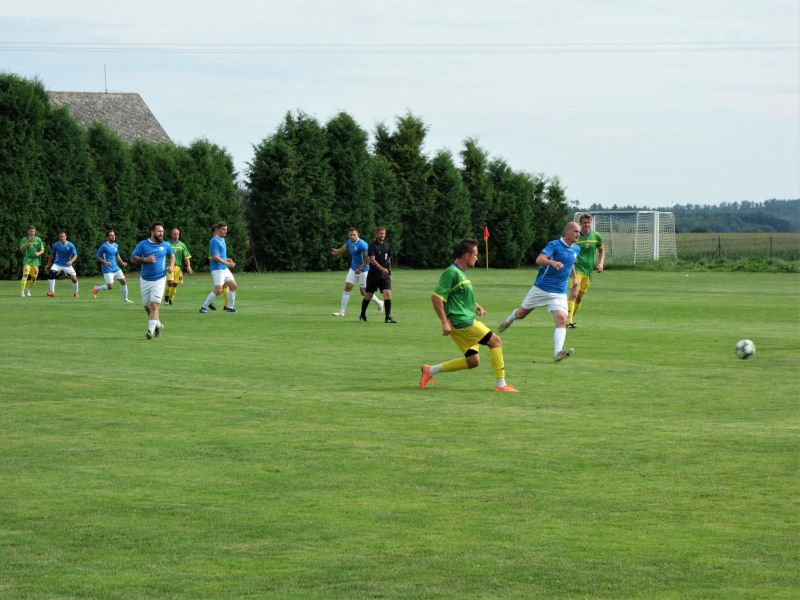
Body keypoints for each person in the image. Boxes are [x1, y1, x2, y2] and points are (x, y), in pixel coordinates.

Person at [419, 239, 518, 392]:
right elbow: (437, 298)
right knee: (496, 341)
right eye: (475, 255)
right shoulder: (451, 272)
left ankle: (430, 371)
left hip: (463, 320)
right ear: (467, 255)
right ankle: (501, 385)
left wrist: (476, 305)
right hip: (462, 322)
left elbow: (458, 296)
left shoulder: (461, 274)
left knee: (473, 361)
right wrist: (444, 322)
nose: (477, 258)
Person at [497, 221, 581, 362]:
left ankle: (557, 353)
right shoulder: (554, 245)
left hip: (559, 292)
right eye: (575, 231)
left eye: (579, 232)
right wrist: (552, 262)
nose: (578, 234)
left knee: (562, 320)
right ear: (567, 232)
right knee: (521, 314)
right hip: (541, 288)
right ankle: (509, 320)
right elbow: (539, 259)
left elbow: (571, 262)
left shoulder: (576, 249)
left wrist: (575, 277)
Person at [130, 222, 174, 339]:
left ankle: (150, 331)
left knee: (154, 306)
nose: (161, 234)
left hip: (160, 278)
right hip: (145, 279)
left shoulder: (166, 245)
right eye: (159, 231)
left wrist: (171, 266)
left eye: (162, 232)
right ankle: (157, 324)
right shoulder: (143, 244)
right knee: (147, 306)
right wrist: (145, 259)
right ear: (152, 232)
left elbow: (171, 256)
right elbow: (133, 258)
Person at [330, 227, 383, 317]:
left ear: (357, 234)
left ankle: (379, 302)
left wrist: (360, 268)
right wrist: (337, 251)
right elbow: (345, 247)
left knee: (364, 292)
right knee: (347, 288)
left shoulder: (362, 244)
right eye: (350, 235)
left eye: (354, 235)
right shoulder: (349, 242)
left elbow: (368, 258)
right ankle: (341, 312)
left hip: (364, 270)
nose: (352, 236)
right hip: (353, 269)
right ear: (348, 235)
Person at [567, 212, 605, 328]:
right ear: (580, 223)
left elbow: (602, 249)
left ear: (591, 223)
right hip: (576, 270)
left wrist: (601, 263)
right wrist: (571, 258)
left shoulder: (596, 236)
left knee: (580, 297)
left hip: (588, 272)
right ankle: (568, 321)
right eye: (584, 223)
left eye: (588, 222)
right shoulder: (576, 236)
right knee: (574, 294)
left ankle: (567, 318)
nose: (587, 225)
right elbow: (567, 248)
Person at [359, 226, 397, 323]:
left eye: (384, 233)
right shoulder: (372, 246)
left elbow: (388, 260)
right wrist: (382, 269)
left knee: (387, 293)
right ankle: (362, 315)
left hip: (384, 276)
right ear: (376, 234)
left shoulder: (387, 246)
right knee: (368, 295)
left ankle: (388, 317)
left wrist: (389, 273)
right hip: (373, 275)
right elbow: (372, 260)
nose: (382, 235)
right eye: (381, 233)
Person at [199, 222, 237, 313]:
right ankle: (204, 307)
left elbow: (221, 256)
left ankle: (230, 307)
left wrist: (227, 259)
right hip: (217, 269)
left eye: (226, 229)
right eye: (223, 229)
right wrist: (227, 264)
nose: (225, 231)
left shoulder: (222, 240)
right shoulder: (214, 241)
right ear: (218, 230)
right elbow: (215, 257)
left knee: (233, 286)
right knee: (219, 290)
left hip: (224, 268)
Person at [92, 229, 134, 303]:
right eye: (111, 235)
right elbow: (98, 256)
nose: (113, 237)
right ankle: (97, 288)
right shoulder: (104, 246)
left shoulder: (116, 245)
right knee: (110, 287)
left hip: (116, 268)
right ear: (107, 237)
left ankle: (125, 299)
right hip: (107, 269)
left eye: (114, 235)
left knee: (124, 282)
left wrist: (122, 262)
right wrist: (105, 262)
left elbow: (117, 254)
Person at [43, 231, 79, 298]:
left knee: (74, 279)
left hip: (67, 265)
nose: (62, 238)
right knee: (51, 273)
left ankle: (75, 293)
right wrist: (48, 264)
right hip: (57, 264)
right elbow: (52, 255)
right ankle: (52, 292)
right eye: (60, 236)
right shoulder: (56, 245)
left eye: (63, 236)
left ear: (66, 237)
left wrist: (71, 261)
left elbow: (75, 255)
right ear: (59, 238)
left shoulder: (70, 245)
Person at [164, 227, 193, 305]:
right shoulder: (166, 244)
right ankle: (166, 297)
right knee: (170, 282)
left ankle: (170, 299)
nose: (176, 235)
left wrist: (189, 266)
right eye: (174, 234)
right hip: (169, 266)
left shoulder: (182, 245)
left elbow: (186, 257)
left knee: (175, 284)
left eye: (178, 234)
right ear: (171, 235)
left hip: (178, 267)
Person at [18, 225, 45, 297]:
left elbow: (42, 250)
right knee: (25, 275)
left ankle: (28, 289)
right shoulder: (24, 239)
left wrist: (38, 253)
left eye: (33, 231)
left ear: (35, 231)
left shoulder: (38, 239)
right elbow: (21, 250)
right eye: (30, 231)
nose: (32, 233)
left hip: (35, 261)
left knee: (34, 278)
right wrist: (28, 242)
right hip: (27, 260)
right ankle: (22, 292)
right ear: (28, 231)